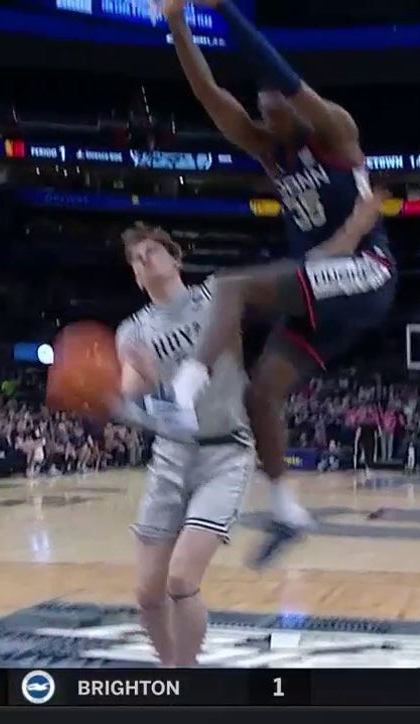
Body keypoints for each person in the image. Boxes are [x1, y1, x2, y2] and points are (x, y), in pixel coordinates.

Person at [160, 0, 394, 568]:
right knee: (260, 393)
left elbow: (280, 71)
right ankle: (289, 512)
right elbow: (211, 97)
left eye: (274, 110)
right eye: (262, 113)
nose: (266, 121)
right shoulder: (271, 149)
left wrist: (223, 12)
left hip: (366, 273)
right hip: (322, 285)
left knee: (233, 286)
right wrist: (176, 23)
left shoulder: (336, 133)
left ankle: (185, 389)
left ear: (293, 105)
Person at [111, 222, 256, 666]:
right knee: (148, 595)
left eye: (152, 251)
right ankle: (171, 669)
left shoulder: (215, 296)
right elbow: (136, 401)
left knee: (180, 581)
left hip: (226, 451)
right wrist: (116, 399)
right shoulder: (132, 333)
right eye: (136, 259)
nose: (143, 260)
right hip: (172, 455)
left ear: (176, 259)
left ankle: (189, 680)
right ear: (135, 276)